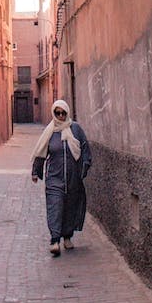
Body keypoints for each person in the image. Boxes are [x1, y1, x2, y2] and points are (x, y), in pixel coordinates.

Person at [31, 99, 92, 256]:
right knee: (55, 207)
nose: (60, 116)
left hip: (73, 179)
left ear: (67, 113)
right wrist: (36, 171)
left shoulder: (75, 129)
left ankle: (67, 237)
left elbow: (85, 148)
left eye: (63, 113)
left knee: (70, 208)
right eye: (57, 113)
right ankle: (55, 240)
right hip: (54, 178)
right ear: (53, 113)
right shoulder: (50, 131)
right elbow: (41, 152)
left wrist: (84, 167)